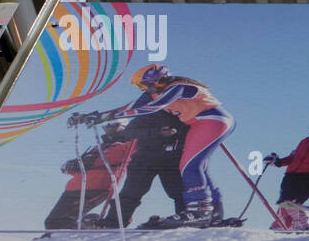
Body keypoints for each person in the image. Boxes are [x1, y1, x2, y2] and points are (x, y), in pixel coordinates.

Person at [71, 64, 233, 228]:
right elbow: (130, 107)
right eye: (140, 86)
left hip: (209, 122)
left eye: (145, 84)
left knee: (190, 168)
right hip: (183, 134)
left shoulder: (178, 87)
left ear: (159, 79)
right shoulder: (154, 94)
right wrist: (96, 117)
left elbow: (153, 107)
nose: (144, 89)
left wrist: (109, 117)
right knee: (197, 168)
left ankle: (199, 211)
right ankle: (213, 213)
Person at [97, 109, 188, 229]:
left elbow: (193, 131)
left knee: (179, 191)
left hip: (171, 158)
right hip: (144, 158)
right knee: (131, 191)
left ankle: (186, 220)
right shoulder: (149, 113)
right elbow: (128, 132)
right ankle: (113, 222)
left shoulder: (183, 112)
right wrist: (157, 132)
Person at [44, 122, 134, 230]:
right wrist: (71, 167)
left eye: (113, 127)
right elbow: (85, 168)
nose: (109, 130)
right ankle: (81, 230)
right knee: (53, 221)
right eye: (106, 127)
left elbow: (140, 144)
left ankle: (80, 235)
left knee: (58, 221)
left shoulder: (128, 146)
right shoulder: (99, 147)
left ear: (124, 127)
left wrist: (137, 131)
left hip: (95, 188)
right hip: (75, 187)